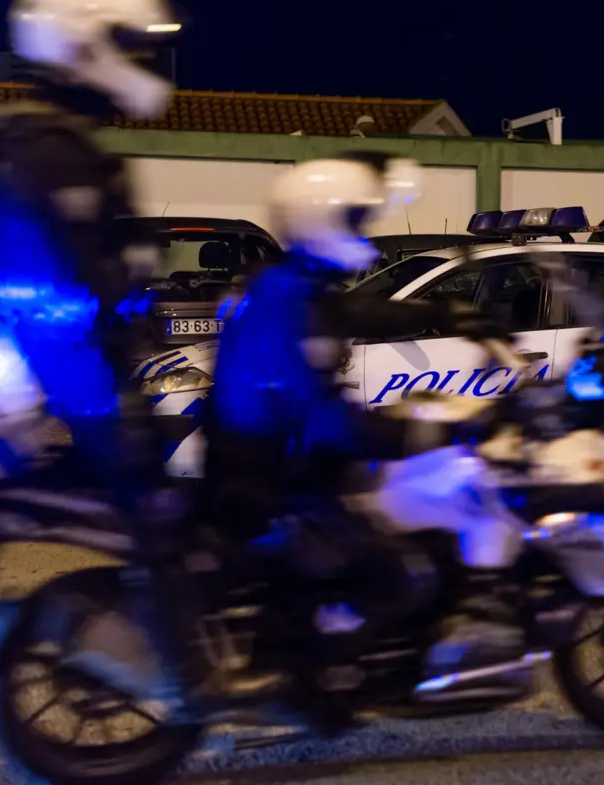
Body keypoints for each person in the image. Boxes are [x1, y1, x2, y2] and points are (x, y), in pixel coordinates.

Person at [0, 0, 274, 715]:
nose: (138, 60)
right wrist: (129, 274)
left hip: (69, 363)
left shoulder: (12, 134)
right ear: (84, 41)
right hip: (90, 371)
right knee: (167, 508)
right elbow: (84, 276)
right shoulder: (53, 148)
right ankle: (189, 677)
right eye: (129, 43)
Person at [202, 151, 525, 706]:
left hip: (264, 459)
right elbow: (329, 424)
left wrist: (450, 315)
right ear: (324, 221)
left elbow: (353, 313)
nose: (364, 232)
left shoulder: (288, 283)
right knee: (398, 570)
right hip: (272, 480)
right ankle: (317, 670)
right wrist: (432, 432)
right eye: (356, 219)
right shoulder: (287, 303)